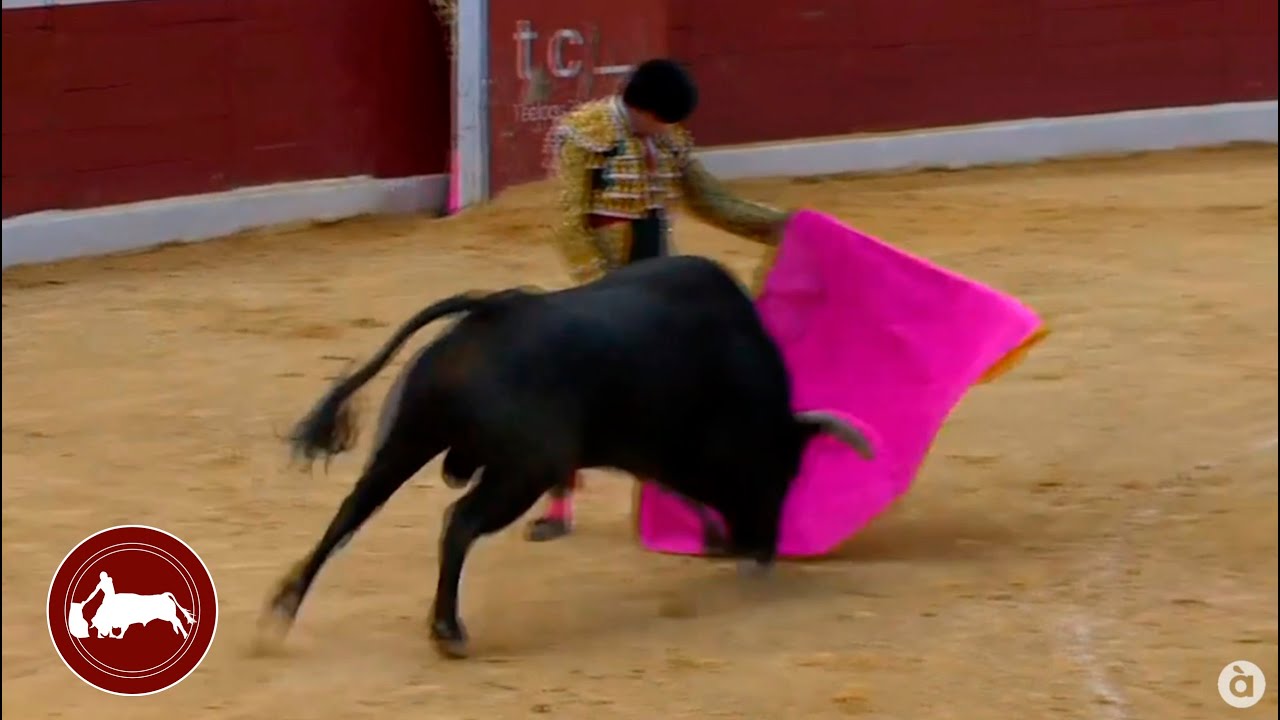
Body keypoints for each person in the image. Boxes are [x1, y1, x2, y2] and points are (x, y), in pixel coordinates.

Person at [528, 58, 792, 542]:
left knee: (679, 390)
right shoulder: (583, 134)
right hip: (604, 283)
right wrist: (606, 292)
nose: (668, 131)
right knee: (572, 390)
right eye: (663, 120)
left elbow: (711, 202)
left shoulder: (667, 138)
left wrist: (782, 226)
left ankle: (696, 502)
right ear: (644, 109)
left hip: (658, 279)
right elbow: (567, 223)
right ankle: (558, 505)